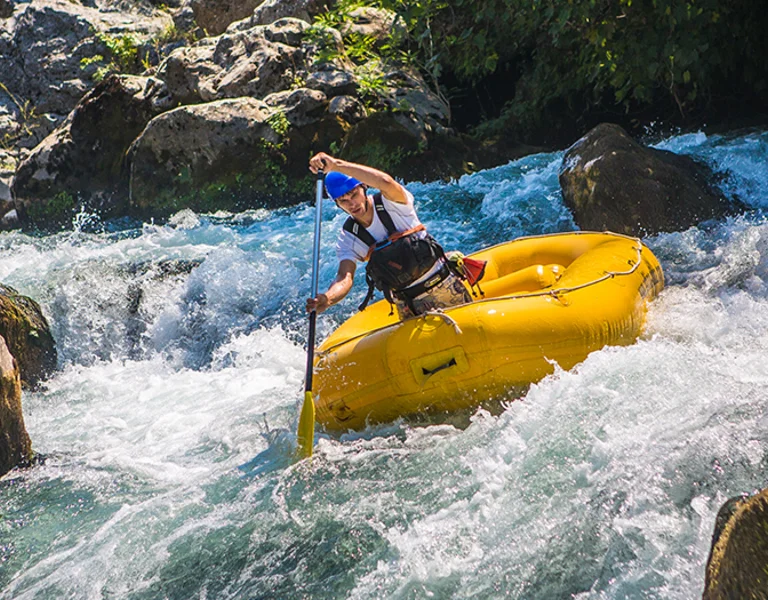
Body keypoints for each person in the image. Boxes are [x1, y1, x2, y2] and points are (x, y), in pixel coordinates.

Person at [305, 152, 473, 319]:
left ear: (363, 188)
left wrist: (335, 165)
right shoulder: (349, 236)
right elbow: (344, 278)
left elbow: (384, 182)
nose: (352, 204)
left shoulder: (393, 202)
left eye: (354, 194)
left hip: (442, 286)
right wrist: (328, 299)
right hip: (406, 303)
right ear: (337, 204)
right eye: (343, 201)